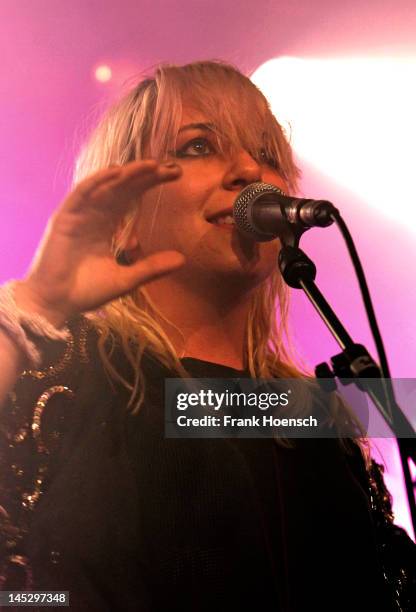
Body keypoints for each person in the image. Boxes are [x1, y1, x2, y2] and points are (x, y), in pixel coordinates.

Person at [0, 60, 414, 611]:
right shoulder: (64, 363)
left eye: (266, 153)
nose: (249, 169)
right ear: (121, 214)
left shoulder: (317, 414)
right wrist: (35, 304)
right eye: (199, 146)